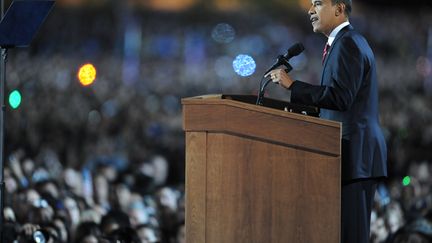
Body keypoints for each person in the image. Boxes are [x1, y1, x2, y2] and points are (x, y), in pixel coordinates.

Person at [265, 0, 387, 242]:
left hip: (356, 157)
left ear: (339, 9)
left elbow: (341, 98)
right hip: (349, 156)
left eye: (318, 3)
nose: (310, 10)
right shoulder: (341, 44)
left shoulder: (349, 43)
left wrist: (293, 86)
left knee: (351, 237)